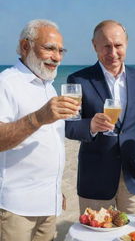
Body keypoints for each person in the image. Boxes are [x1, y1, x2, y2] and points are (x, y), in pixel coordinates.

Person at [65, 20, 135, 215]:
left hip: (134, 177)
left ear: (126, 44)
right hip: (95, 179)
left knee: (133, 235)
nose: (113, 52)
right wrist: (90, 125)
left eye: (118, 46)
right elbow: (69, 127)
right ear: (94, 46)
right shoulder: (78, 80)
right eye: (106, 46)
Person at [0, 20, 80, 241]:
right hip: (15, 209)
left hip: (48, 205)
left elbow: (49, 144)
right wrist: (38, 118)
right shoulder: (6, 83)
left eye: (60, 50)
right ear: (26, 47)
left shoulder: (48, 86)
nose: (57, 57)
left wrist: (55, 189)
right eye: (49, 48)